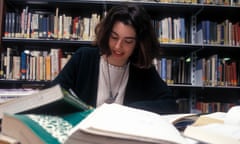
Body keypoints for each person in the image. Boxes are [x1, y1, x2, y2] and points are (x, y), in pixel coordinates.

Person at [50, 4, 178, 114]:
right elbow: (51, 94)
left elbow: (170, 105)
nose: (118, 47)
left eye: (128, 41)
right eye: (114, 37)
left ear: (139, 44)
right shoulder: (84, 57)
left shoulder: (143, 69)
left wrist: (128, 110)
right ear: (106, 34)